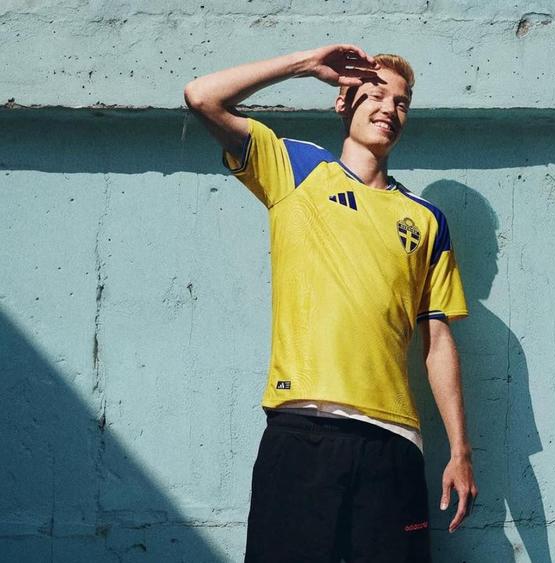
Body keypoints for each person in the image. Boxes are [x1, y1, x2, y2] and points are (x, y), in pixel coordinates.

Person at [184, 43, 478, 562]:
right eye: (376, 94)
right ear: (344, 102)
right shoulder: (296, 169)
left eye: (402, 102)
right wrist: (304, 65)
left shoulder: (427, 220)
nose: (389, 108)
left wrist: (459, 449)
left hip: (393, 442)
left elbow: (436, 339)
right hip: (303, 433)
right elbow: (201, 96)